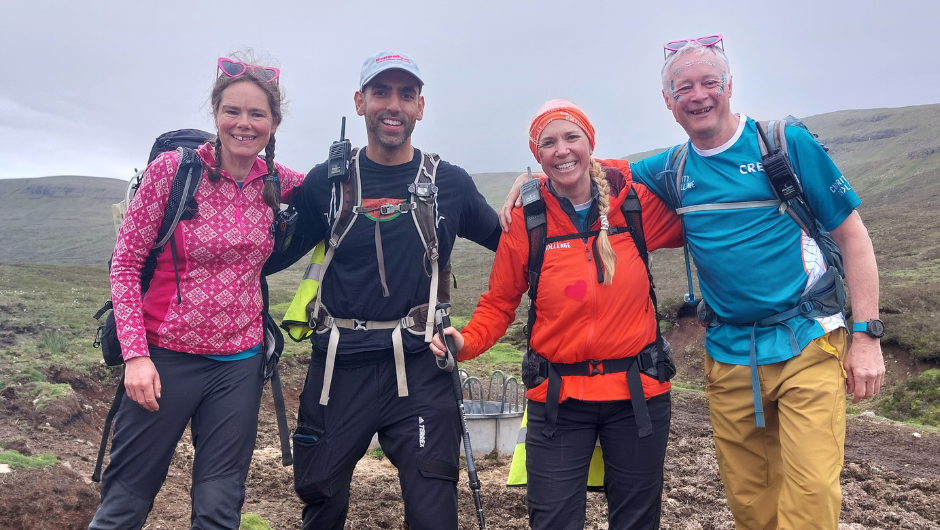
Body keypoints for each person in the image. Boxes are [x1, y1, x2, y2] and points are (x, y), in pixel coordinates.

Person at [501, 36, 885, 530]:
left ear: (729, 86)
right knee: (750, 501)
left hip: (808, 337)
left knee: (809, 495)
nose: (698, 95)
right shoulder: (674, 167)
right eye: (684, 88)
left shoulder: (783, 144)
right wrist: (535, 176)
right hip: (729, 351)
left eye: (709, 82)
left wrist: (867, 335)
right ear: (669, 102)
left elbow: (853, 237)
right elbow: (598, 171)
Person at [265, 51, 501, 530]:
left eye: (406, 95)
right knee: (321, 505)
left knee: (434, 511)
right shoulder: (326, 183)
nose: (393, 105)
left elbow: (513, 246)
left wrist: (545, 200)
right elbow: (265, 256)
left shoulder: (448, 183)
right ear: (360, 101)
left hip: (420, 365)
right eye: (381, 92)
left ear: (420, 107)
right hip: (337, 367)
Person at [433, 99, 682, 529]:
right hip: (558, 402)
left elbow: (702, 220)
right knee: (552, 521)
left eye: (572, 138)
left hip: (638, 394)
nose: (561, 150)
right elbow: (499, 303)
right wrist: (465, 341)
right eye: (548, 143)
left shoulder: (635, 205)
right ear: (537, 156)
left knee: (638, 522)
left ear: (591, 144)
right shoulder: (528, 220)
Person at [88, 55, 305, 530]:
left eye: (257, 114)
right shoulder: (173, 172)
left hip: (239, 365)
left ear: (274, 123)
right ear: (215, 113)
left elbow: (345, 192)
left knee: (219, 508)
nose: (243, 124)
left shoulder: (278, 181)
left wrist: (514, 180)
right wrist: (136, 356)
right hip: (164, 359)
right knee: (126, 502)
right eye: (232, 111)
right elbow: (124, 265)